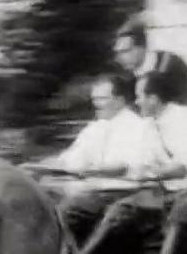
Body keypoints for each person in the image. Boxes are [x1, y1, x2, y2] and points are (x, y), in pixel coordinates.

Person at [81, 71, 187, 254]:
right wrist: (133, 171)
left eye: (140, 96)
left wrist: (149, 174)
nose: (137, 102)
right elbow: (139, 162)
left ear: (154, 98)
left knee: (183, 212)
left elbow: (185, 166)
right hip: (168, 190)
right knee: (122, 211)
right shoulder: (149, 125)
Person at [52, 72, 171, 244]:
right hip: (96, 191)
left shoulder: (140, 127)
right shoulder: (95, 128)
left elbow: (131, 167)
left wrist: (90, 171)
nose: (96, 104)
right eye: (94, 99)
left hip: (124, 193)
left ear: (120, 100)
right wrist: (47, 167)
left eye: (102, 99)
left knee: (68, 211)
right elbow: (72, 157)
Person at [114, 14, 187, 119]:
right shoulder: (126, 76)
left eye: (125, 51)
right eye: (117, 53)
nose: (119, 58)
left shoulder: (170, 64)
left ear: (142, 47)